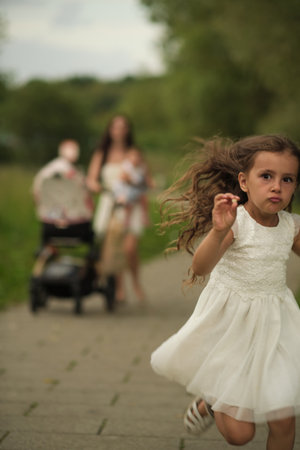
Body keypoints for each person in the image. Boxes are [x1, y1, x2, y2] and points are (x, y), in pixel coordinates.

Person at [151, 135, 300, 449]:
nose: (277, 186)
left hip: (278, 325)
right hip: (231, 327)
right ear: (244, 182)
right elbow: (201, 269)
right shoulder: (236, 222)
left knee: (284, 418)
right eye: (267, 177)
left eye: (287, 179)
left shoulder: (290, 226)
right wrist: (219, 231)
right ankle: (211, 400)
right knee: (240, 435)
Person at [86, 114, 152, 304]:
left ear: (128, 130)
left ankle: (136, 282)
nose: (120, 131)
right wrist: (95, 186)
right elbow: (91, 178)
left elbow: (145, 180)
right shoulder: (102, 153)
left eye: (123, 127)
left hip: (132, 204)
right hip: (110, 205)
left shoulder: (134, 153)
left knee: (129, 248)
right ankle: (119, 288)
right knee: (114, 246)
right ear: (110, 130)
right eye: (116, 127)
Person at [112, 147, 151, 227]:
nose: (135, 159)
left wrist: (148, 182)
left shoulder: (141, 167)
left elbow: (146, 178)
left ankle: (145, 215)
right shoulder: (127, 166)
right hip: (126, 188)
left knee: (143, 198)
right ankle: (126, 217)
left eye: (137, 156)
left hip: (135, 188)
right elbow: (122, 177)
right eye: (133, 156)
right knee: (128, 202)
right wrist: (130, 180)